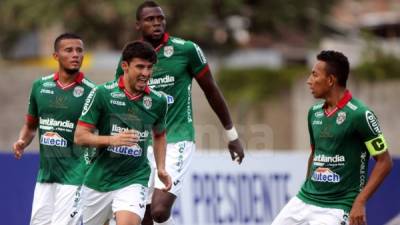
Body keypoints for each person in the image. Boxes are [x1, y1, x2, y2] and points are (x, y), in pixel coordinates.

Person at [113, 1, 245, 225]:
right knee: (142, 214)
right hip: (142, 144)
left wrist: (231, 135)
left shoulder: (186, 50)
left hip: (177, 139)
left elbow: (211, 91)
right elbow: (118, 100)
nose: (157, 23)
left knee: (159, 210)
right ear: (138, 25)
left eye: (160, 18)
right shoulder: (131, 57)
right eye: (150, 19)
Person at [271, 50, 393, 225]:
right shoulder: (313, 113)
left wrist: (360, 202)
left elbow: (384, 162)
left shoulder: (360, 115)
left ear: (330, 80)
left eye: (314, 75)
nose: (309, 80)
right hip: (305, 200)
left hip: (338, 206)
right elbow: (315, 153)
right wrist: (308, 186)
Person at [74, 41, 172, 225]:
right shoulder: (102, 93)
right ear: (125, 66)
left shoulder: (158, 101)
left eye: (149, 68)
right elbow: (80, 137)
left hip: (134, 178)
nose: (146, 73)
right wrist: (113, 140)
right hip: (98, 181)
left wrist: (160, 168)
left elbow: (159, 135)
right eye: (140, 67)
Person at [12, 33, 96, 225]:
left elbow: (101, 132)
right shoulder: (40, 87)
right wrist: (22, 141)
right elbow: (31, 126)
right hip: (46, 175)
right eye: (69, 50)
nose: (75, 54)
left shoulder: (93, 92)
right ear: (56, 56)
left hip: (76, 174)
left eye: (79, 50)